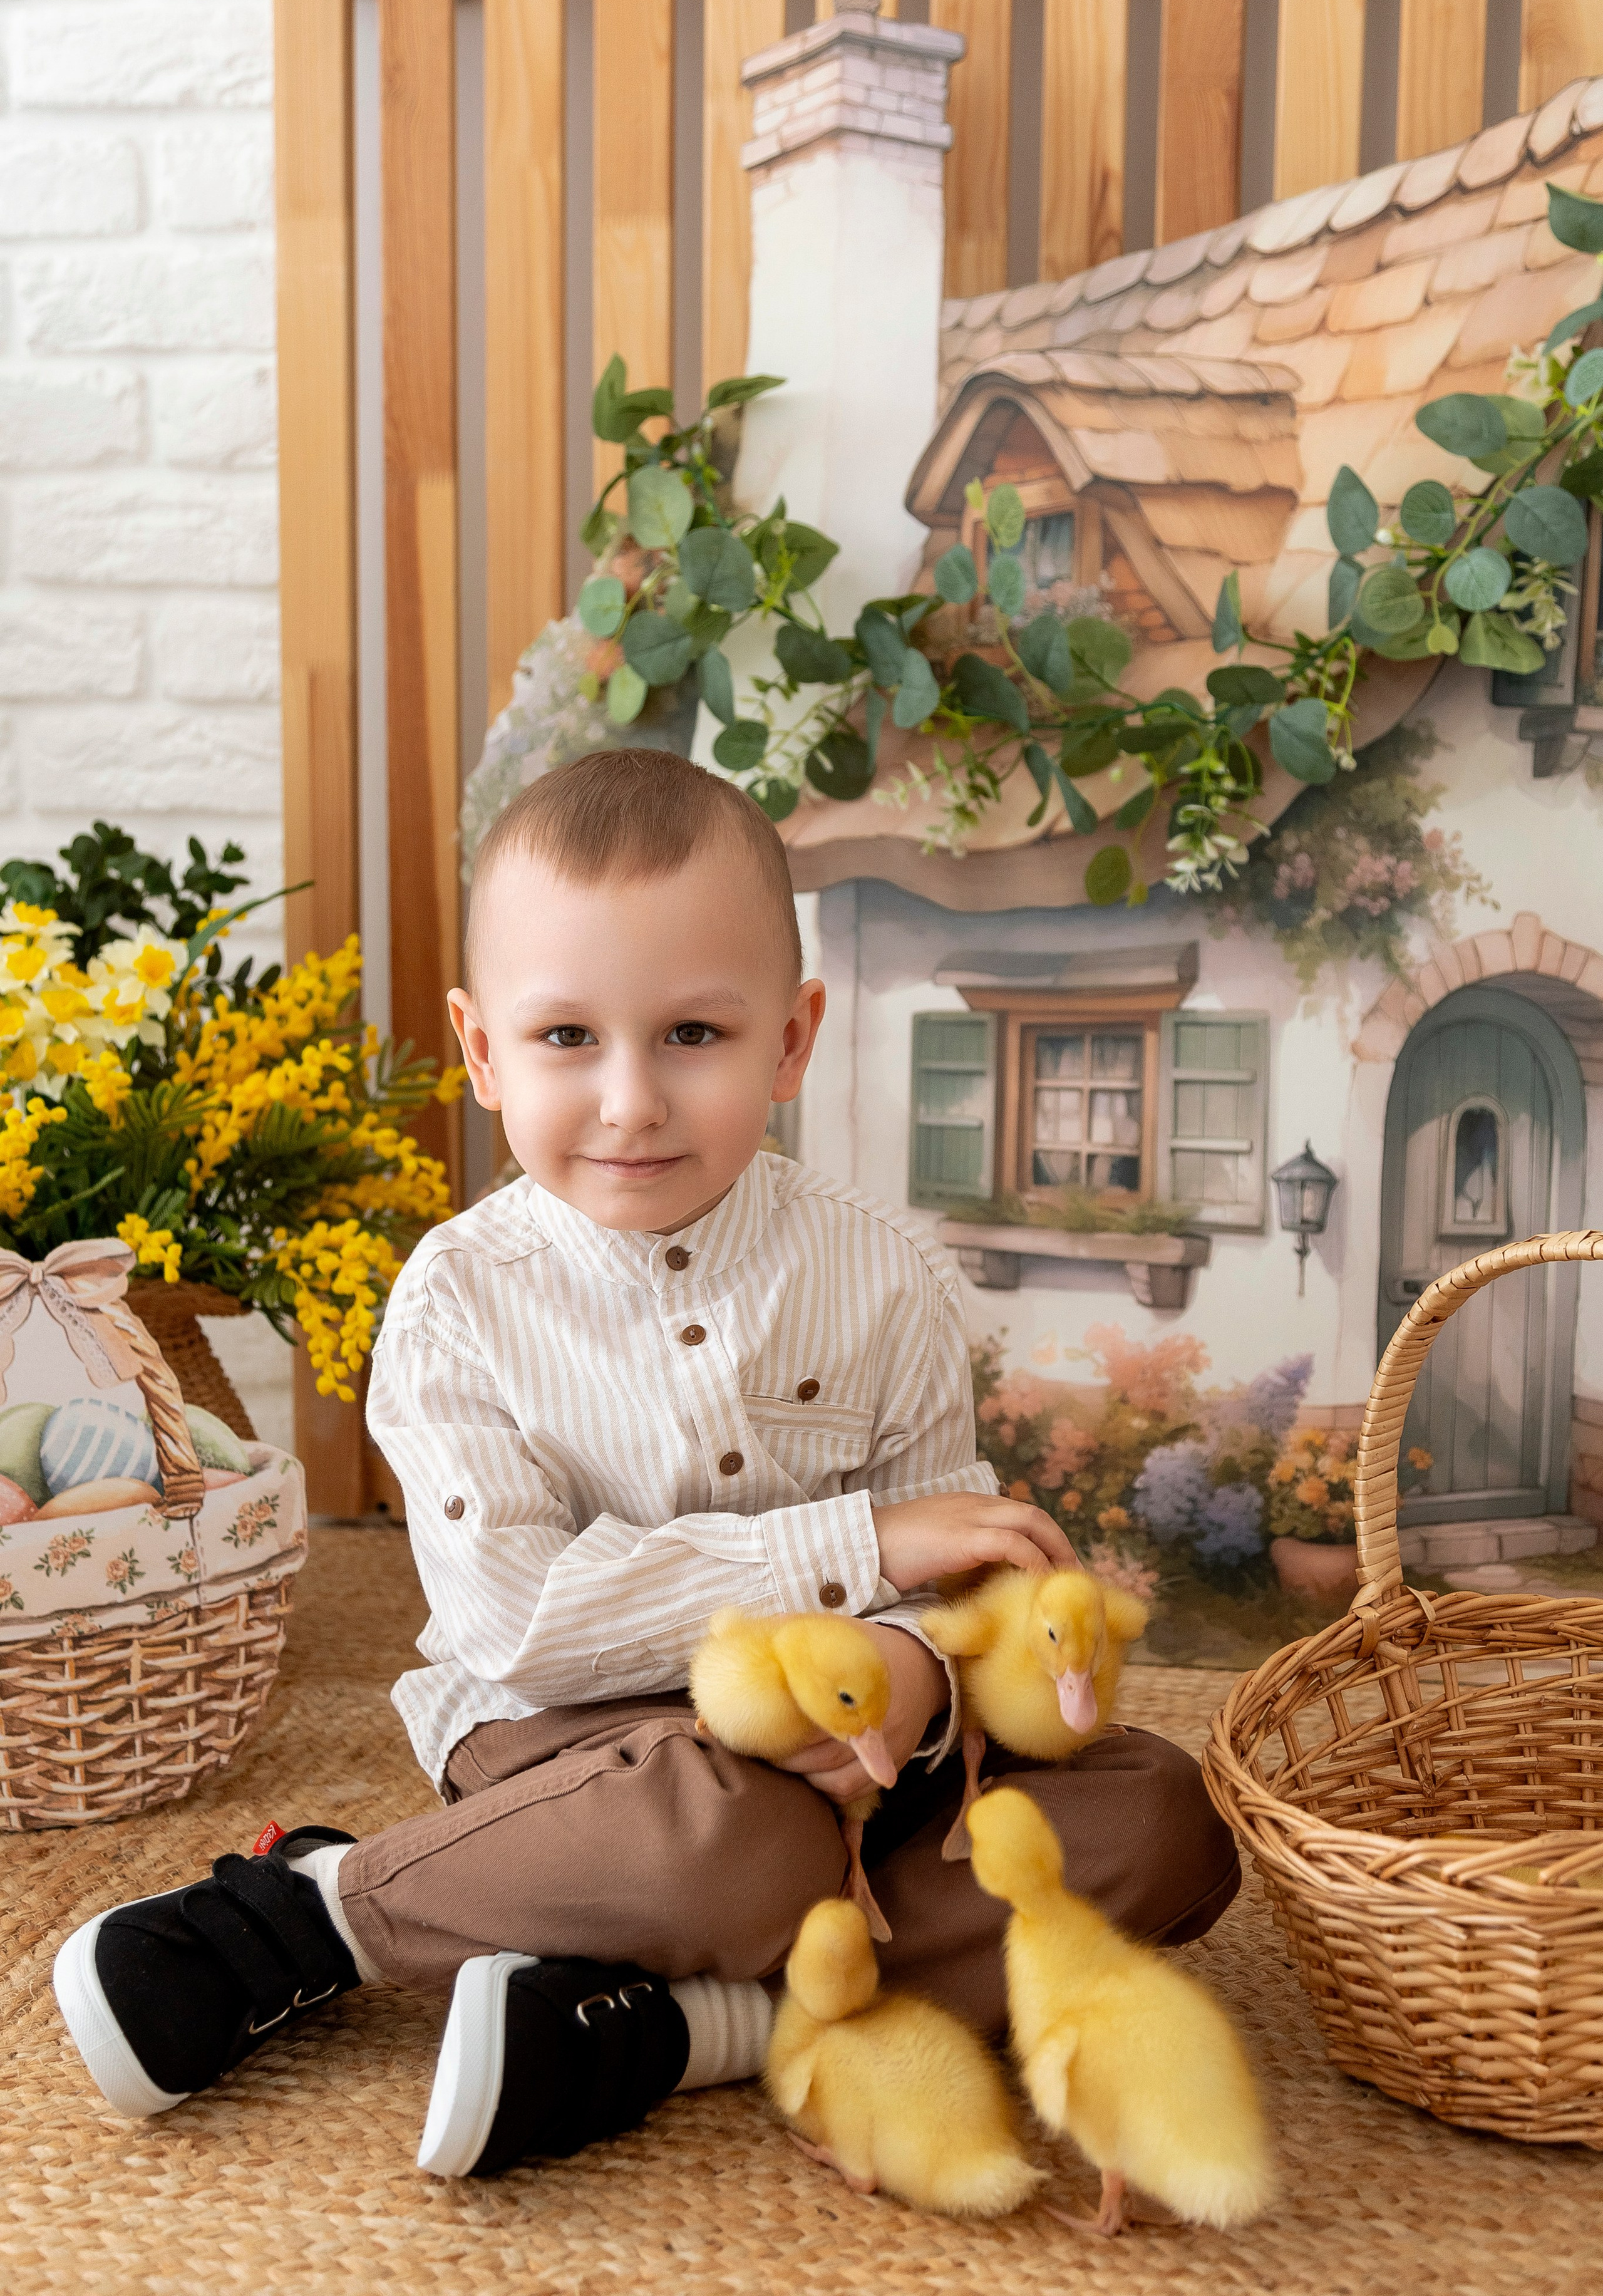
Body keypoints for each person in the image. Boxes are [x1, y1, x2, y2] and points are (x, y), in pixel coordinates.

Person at [54, 748, 1239, 2177]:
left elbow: (950, 1567)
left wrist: (916, 1675)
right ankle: (312, 1910)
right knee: (739, 1841)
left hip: (859, 1753)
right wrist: (851, 1549)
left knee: (1162, 1824)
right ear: (480, 1048)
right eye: (565, 1038)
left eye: (691, 1033)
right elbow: (524, 1625)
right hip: (570, 1749)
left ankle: (661, 2027)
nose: (629, 1100)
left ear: (790, 1039)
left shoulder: (880, 1276)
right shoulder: (454, 1300)